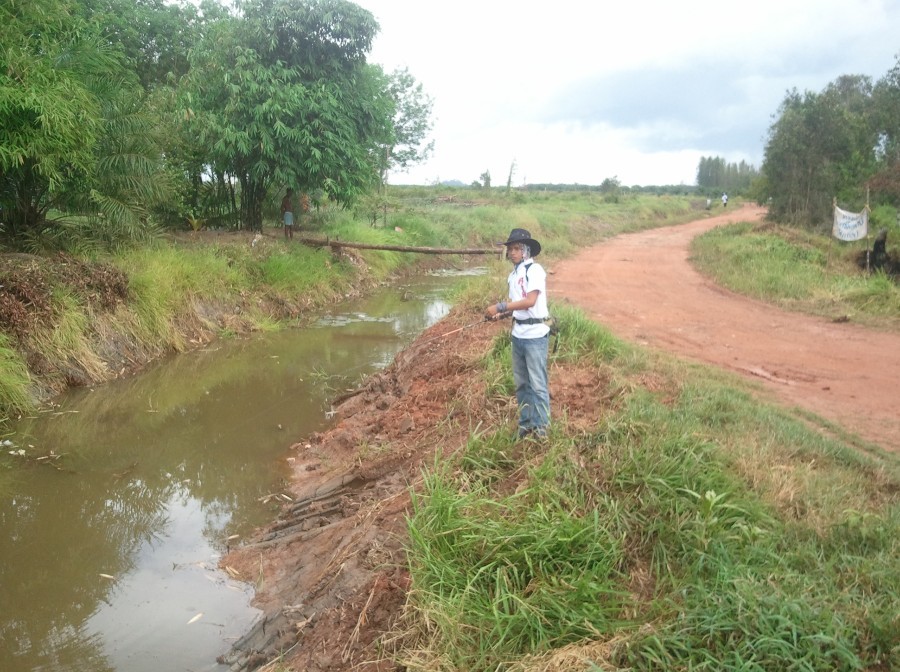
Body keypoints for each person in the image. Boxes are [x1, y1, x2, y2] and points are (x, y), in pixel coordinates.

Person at [485, 228, 551, 439]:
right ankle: (526, 425)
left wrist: (501, 306)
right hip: (519, 334)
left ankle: (542, 429)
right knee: (522, 384)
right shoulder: (513, 276)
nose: (512, 253)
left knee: (538, 384)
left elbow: (530, 301)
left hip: (535, 336)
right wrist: (502, 315)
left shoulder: (535, 270)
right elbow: (518, 306)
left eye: (516, 249)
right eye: (510, 249)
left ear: (526, 251)